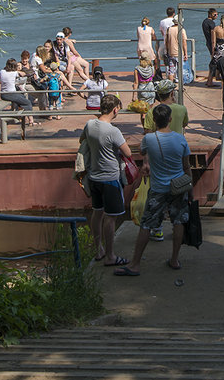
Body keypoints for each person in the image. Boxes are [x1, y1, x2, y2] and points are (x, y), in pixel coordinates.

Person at [116, 102, 192, 276]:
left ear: (154, 121)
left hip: (158, 188)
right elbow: (186, 167)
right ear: (170, 119)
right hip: (179, 186)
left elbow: (143, 152)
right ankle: (174, 259)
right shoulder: (181, 139)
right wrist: (191, 189)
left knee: (146, 224)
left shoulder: (149, 139)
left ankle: (135, 264)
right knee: (178, 222)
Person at [82, 94, 131, 267]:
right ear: (115, 109)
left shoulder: (90, 125)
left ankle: (99, 249)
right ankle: (111, 255)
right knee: (111, 218)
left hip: (94, 177)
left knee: (97, 213)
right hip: (110, 178)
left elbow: (83, 140)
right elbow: (128, 153)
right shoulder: (113, 131)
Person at [0, 58, 34, 125]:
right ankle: (31, 120)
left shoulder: (2, 71)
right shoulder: (14, 73)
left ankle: (21, 116)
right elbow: (23, 74)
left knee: (22, 96)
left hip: (3, 94)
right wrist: (18, 70)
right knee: (27, 102)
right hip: (10, 94)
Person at [164, 17, 188, 81]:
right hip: (179, 53)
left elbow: (166, 42)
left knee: (171, 71)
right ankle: (181, 86)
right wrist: (186, 53)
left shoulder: (169, 29)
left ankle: (171, 87)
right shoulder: (181, 30)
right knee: (180, 70)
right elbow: (184, 43)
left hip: (171, 53)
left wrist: (167, 50)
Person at [201, 8, 219, 87]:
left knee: (213, 61)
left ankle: (213, 78)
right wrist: (213, 46)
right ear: (211, 14)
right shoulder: (211, 23)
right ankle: (210, 80)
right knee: (214, 62)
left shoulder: (204, 22)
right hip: (212, 44)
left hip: (208, 42)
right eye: (215, 14)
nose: (216, 16)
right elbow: (213, 35)